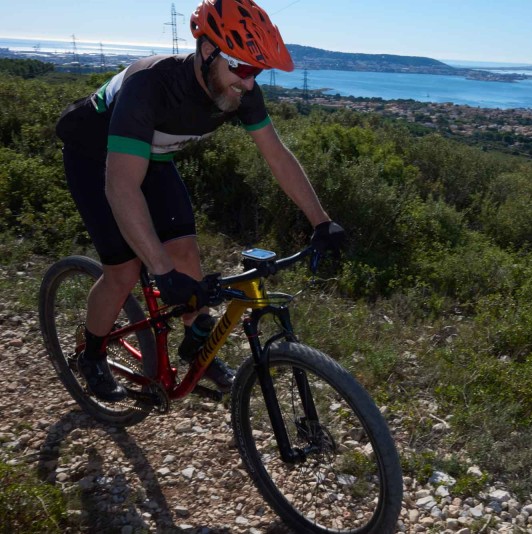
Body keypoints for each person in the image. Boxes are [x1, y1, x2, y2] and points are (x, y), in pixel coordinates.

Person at [55, 0, 344, 402]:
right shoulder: (150, 86)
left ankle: (195, 346)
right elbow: (121, 188)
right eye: (241, 68)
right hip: (94, 154)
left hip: (151, 155)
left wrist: (321, 221)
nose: (248, 82)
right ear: (208, 51)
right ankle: (91, 353)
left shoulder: (243, 91)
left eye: (256, 70)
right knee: (124, 270)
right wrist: (158, 268)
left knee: (186, 256)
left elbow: (277, 156)